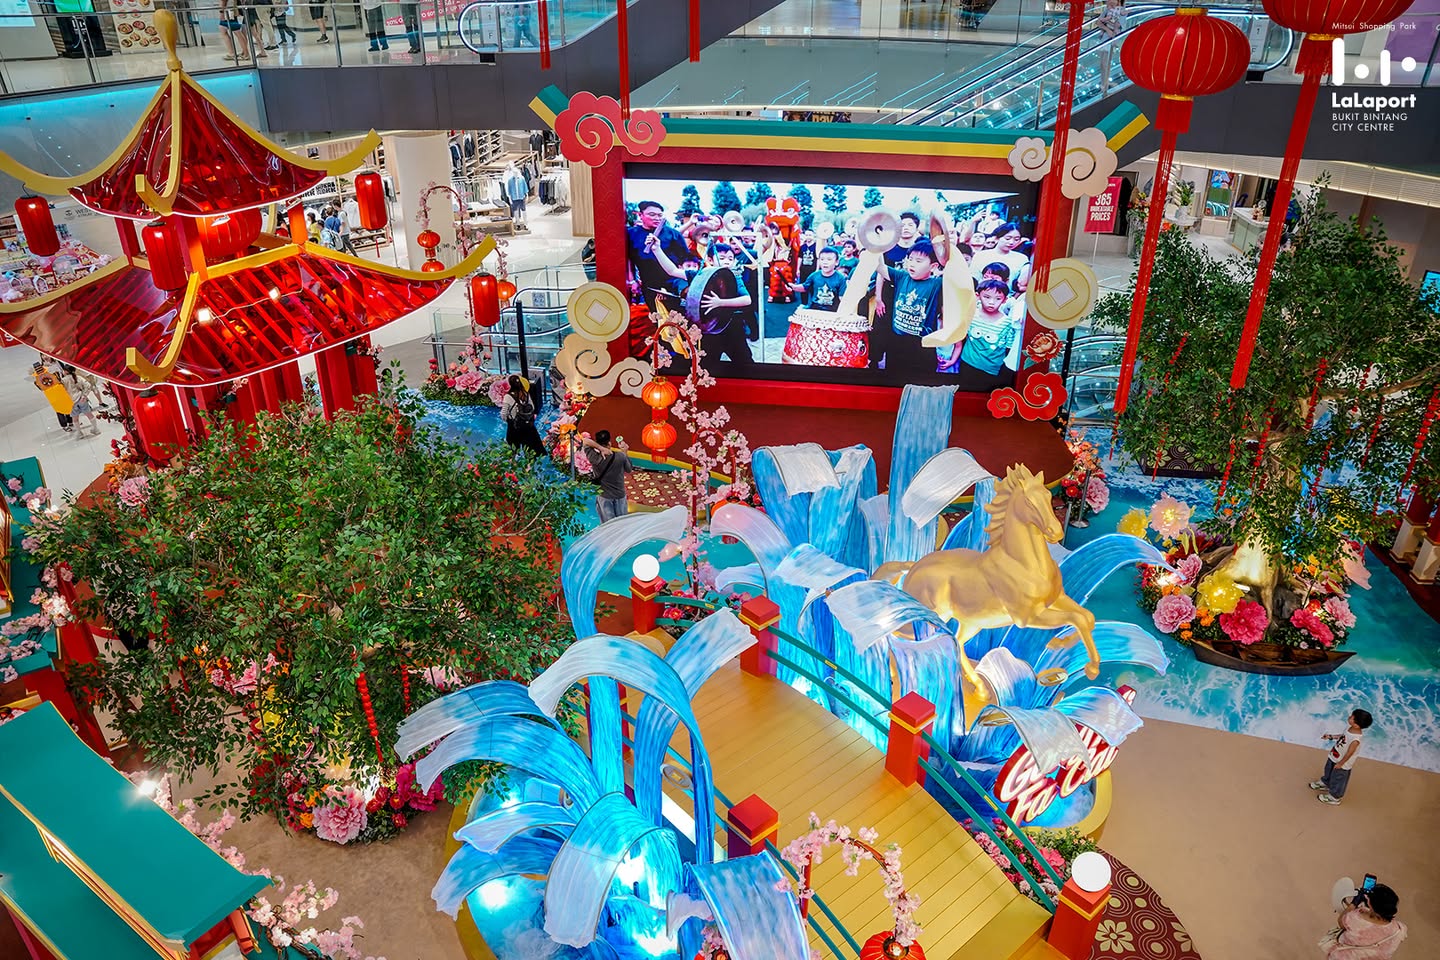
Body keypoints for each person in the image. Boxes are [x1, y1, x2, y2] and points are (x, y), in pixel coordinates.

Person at [872, 239, 943, 372]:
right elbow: (879, 267)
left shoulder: (937, 284)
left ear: (933, 266)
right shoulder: (902, 277)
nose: (912, 264)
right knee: (893, 379)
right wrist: (877, 242)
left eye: (919, 261)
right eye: (910, 259)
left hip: (921, 346)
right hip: (896, 342)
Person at [944, 278, 1020, 375]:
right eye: (987, 297)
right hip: (967, 363)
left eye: (998, 298)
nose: (991, 302)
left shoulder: (1008, 323)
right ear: (978, 296)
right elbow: (958, 339)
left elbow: (1008, 348)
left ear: (1005, 300)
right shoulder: (969, 315)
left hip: (993, 369)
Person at [626, 201, 690, 308]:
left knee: (677, 316)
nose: (657, 218)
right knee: (655, 316)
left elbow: (685, 259)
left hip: (673, 281)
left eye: (660, 215)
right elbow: (629, 259)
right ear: (640, 215)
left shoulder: (673, 234)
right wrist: (633, 280)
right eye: (652, 215)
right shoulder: (631, 234)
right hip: (648, 283)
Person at [1325, 885, 1406, 959]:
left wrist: (1354, 903)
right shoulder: (1399, 929)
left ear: (1370, 904)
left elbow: (1341, 921)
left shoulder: (1356, 919)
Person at [1312, 708, 1373, 805]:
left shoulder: (1356, 739)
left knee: (1338, 778)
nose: (1349, 717)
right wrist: (1331, 736)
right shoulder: (1349, 728)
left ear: (1356, 724)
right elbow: (1343, 736)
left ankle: (1335, 797)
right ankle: (1326, 783)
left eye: (1351, 717)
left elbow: (1350, 753)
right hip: (1335, 755)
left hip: (1342, 763)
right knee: (1328, 769)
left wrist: (1341, 763)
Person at [583, 429, 633, 522]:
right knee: (623, 523)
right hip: (620, 495)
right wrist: (625, 451)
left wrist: (600, 448)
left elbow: (585, 441)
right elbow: (629, 469)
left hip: (604, 496)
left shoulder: (594, 458)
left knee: (608, 526)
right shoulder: (620, 456)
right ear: (609, 443)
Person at [970, 222, 1032, 292]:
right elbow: (973, 281)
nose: (1012, 242)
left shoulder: (1022, 259)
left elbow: (1021, 285)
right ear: (996, 238)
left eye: (1016, 239)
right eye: (1008, 238)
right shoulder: (980, 256)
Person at [500, 375, 546, 456]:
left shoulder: (508, 397)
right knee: (530, 449)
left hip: (514, 427)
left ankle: (513, 464)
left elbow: (503, 413)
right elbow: (533, 407)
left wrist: (508, 420)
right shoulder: (526, 394)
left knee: (513, 449)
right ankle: (529, 466)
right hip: (527, 426)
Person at [790, 246, 845, 312]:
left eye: (829, 259)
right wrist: (793, 287)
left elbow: (842, 298)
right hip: (814, 308)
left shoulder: (840, 278)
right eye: (822, 259)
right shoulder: (814, 275)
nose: (825, 262)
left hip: (832, 311)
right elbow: (805, 287)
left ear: (836, 262)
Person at [31, 362, 74, 432]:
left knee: (62, 409)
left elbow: (41, 388)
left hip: (53, 395)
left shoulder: (36, 380)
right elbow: (59, 379)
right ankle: (68, 423)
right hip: (58, 393)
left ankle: (67, 424)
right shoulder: (52, 372)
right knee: (64, 407)